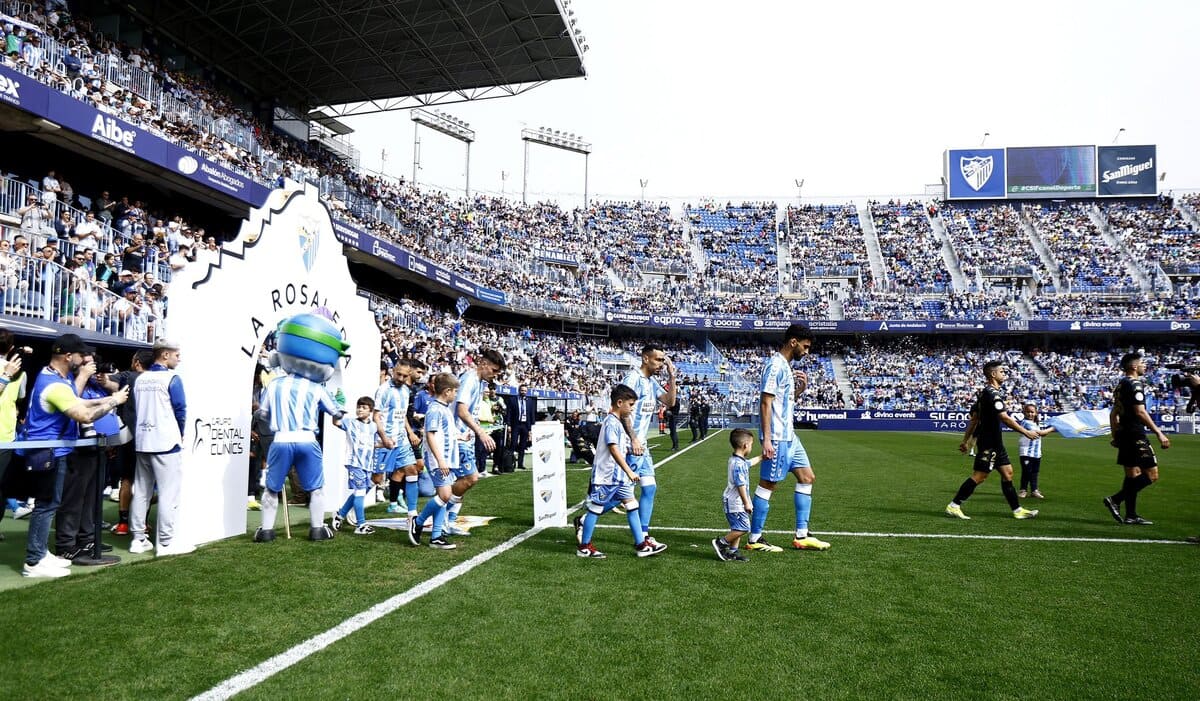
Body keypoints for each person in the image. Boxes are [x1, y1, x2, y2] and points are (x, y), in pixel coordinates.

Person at [19, 334, 129, 578]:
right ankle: (34, 561)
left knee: (49, 505)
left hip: (51, 450)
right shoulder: (56, 384)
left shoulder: (53, 376)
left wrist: (108, 398)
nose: (84, 359)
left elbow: (77, 401)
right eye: (81, 355)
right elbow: (84, 415)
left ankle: (40, 554)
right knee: (45, 507)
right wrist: (113, 402)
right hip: (48, 451)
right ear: (68, 356)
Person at [748, 324, 831, 553]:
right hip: (777, 438)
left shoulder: (785, 366)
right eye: (805, 346)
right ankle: (754, 538)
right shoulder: (775, 365)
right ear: (793, 342)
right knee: (768, 484)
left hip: (790, 437)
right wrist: (766, 440)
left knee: (807, 477)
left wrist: (799, 391)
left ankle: (802, 535)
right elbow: (765, 403)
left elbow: (781, 401)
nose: (807, 351)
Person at [574, 384, 667, 559]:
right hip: (607, 476)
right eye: (630, 405)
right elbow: (613, 449)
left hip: (619, 478)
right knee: (595, 509)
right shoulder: (611, 422)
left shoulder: (617, 423)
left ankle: (641, 545)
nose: (632, 409)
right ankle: (584, 546)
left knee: (632, 505)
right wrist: (629, 471)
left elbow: (620, 448)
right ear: (619, 403)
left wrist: (633, 450)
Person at [945, 360, 1041, 521]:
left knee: (1008, 473)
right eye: (1002, 371)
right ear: (993, 374)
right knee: (980, 476)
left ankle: (1017, 510)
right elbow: (1004, 417)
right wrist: (1026, 432)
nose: (1004, 374)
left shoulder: (984, 393)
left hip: (996, 443)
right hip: (989, 443)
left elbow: (974, 419)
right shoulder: (992, 394)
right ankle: (954, 506)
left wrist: (965, 441)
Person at [129, 340, 192, 556]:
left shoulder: (140, 379)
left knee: (141, 491)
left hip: (143, 441)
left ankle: (138, 539)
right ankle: (166, 542)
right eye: (176, 354)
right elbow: (180, 410)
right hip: (166, 442)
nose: (179, 358)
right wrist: (180, 433)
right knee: (168, 494)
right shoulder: (172, 378)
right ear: (165, 355)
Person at [1103, 352, 1170, 526]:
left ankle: (1131, 515)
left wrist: (1115, 436)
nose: (1144, 366)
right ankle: (1115, 499)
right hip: (1135, 434)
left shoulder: (1120, 385)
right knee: (1152, 475)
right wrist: (1159, 433)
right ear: (1134, 366)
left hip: (1124, 435)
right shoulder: (1134, 384)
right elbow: (1140, 412)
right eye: (1142, 363)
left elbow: (1113, 414)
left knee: (1133, 475)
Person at [620, 343, 677, 549]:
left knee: (649, 488)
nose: (661, 363)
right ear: (645, 358)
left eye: (663, 360)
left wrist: (672, 377)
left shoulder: (651, 382)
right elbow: (623, 411)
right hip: (630, 444)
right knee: (622, 493)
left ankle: (644, 534)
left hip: (641, 445)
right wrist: (633, 438)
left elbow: (670, 402)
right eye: (658, 360)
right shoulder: (633, 379)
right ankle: (587, 517)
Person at [445, 348, 506, 536]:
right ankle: (442, 515)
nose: (494, 375)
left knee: (465, 480)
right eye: (494, 370)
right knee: (470, 478)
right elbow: (462, 411)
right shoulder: (470, 380)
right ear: (483, 364)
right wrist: (481, 433)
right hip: (458, 437)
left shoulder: (479, 382)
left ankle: (448, 519)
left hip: (466, 437)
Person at [409, 372, 461, 550]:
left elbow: (445, 434)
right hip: (439, 461)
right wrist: (440, 460)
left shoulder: (444, 408)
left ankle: (436, 536)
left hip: (447, 460)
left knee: (443, 497)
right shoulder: (435, 409)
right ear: (447, 391)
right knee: (445, 495)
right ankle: (418, 522)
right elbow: (430, 435)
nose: (456, 395)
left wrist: (461, 437)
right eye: (455, 391)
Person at [331, 397, 386, 536]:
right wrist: (338, 412)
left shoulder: (373, 426)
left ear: (370, 411)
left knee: (358, 492)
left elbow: (372, 443)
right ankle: (361, 525)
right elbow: (336, 422)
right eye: (359, 407)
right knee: (360, 491)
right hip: (354, 463)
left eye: (364, 407)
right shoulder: (350, 422)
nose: (360, 409)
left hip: (367, 464)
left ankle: (340, 514)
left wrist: (385, 443)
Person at [373, 359, 420, 520]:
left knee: (412, 470)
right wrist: (384, 438)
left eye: (404, 376)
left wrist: (409, 433)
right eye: (398, 374)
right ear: (393, 371)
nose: (400, 378)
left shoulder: (406, 391)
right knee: (376, 479)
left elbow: (402, 415)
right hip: (385, 441)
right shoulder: (384, 390)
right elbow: (376, 416)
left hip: (401, 440)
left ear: (409, 374)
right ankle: (345, 511)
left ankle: (412, 514)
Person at [713, 428, 757, 562]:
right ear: (745, 445)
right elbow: (740, 484)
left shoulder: (737, 460)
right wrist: (746, 503)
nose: (751, 447)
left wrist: (762, 457)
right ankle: (721, 543)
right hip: (735, 502)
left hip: (736, 501)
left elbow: (749, 463)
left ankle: (733, 551)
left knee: (737, 526)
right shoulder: (738, 464)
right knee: (744, 527)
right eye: (751, 444)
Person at [1017, 403, 1055, 499]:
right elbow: (1040, 433)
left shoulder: (1035, 423)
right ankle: (1023, 490)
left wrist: (1048, 430)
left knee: (1034, 472)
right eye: (1028, 412)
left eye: (1032, 412)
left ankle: (1034, 490)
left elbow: (1042, 434)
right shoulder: (1025, 422)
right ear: (1024, 413)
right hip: (1026, 452)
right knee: (1026, 471)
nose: (1030, 414)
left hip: (1036, 452)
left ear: (1036, 413)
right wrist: (1053, 428)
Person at [505, 384, 537, 471]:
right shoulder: (513, 400)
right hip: (516, 424)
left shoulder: (530, 401)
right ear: (519, 391)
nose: (523, 392)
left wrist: (531, 427)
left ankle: (520, 463)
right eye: (522, 390)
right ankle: (510, 462)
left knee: (523, 445)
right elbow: (509, 413)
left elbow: (531, 414)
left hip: (525, 425)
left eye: (525, 391)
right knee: (513, 443)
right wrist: (508, 424)